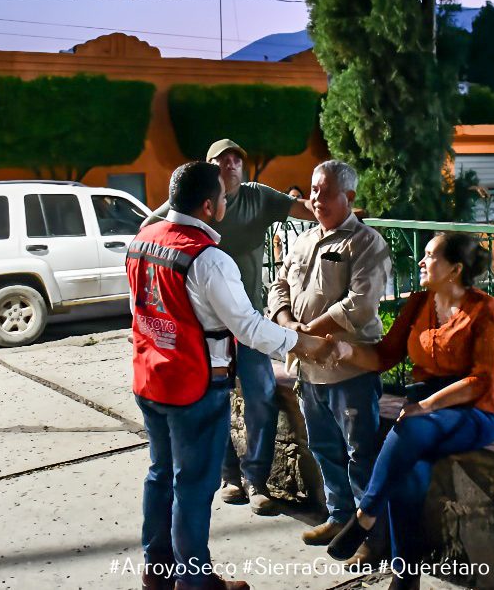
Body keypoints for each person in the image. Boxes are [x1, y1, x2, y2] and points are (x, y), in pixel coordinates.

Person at [128, 161, 329, 590]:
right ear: (209, 206)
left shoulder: (142, 240)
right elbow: (248, 327)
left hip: (148, 378)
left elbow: (141, 311)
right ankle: (195, 582)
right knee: (194, 487)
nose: (227, 200)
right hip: (194, 386)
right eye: (222, 196)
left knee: (160, 474)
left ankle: (156, 569)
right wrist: (303, 344)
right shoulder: (208, 259)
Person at [323, 232, 494, 590]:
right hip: (429, 410)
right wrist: (346, 352)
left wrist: (426, 405)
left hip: (477, 412)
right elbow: (384, 354)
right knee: (408, 475)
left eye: (430, 256)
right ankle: (405, 578)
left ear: (455, 269)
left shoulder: (484, 309)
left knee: (409, 428)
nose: (421, 262)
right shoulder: (420, 302)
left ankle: (365, 516)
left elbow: (483, 380)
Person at [144, 139, 317, 515]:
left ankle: (257, 480)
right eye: (223, 160)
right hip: (205, 326)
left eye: (238, 158)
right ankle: (229, 476)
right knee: (214, 398)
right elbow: (151, 223)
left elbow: (302, 209)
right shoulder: (196, 209)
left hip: (248, 318)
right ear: (209, 175)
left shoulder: (258, 197)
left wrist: (336, 210)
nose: (233, 164)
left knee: (261, 396)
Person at [267, 161, 392, 563]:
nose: (314, 199)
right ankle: (339, 517)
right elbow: (279, 284)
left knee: (361, 454)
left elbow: (359, 304)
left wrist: (310, 330)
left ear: (349, 198)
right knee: (323, 448)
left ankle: (373, 536)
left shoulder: (366, 243)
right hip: (307, 369)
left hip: (348, 369)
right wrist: (287, 324)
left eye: (324, 191)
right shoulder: (303, 240)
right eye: (312, 190)